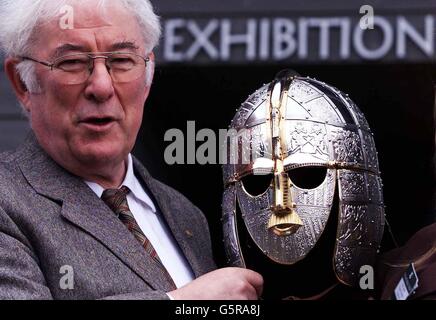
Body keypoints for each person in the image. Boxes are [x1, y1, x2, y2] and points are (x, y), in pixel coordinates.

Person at [0, 0, 263, 300]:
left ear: (148, 75)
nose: (101, 86)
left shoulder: (186, 215)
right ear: (22, 83)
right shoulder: (7, 201)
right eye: (71, 62)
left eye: (122, 60)